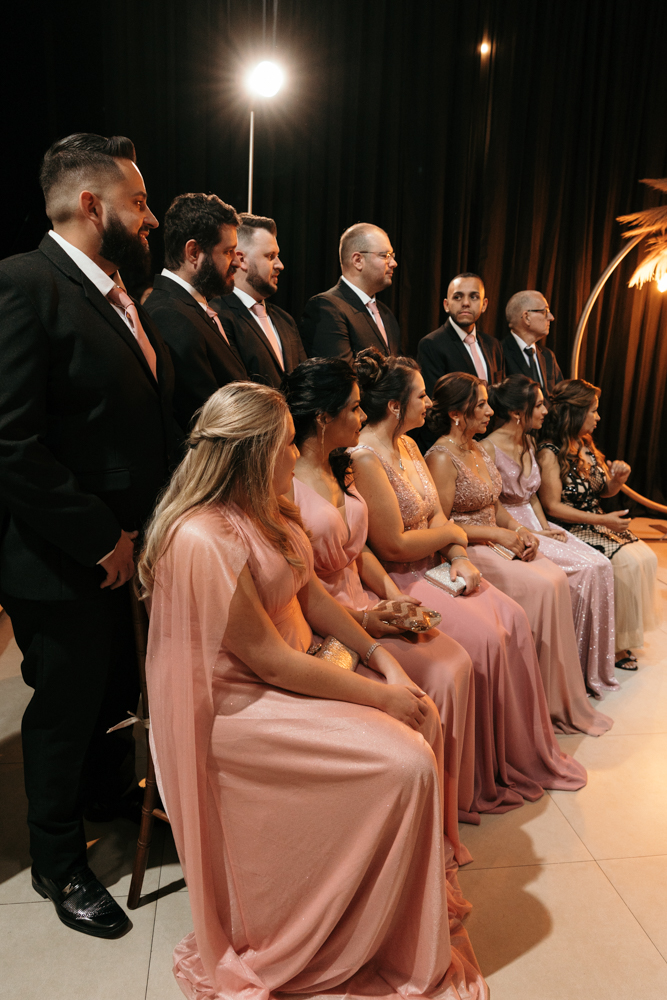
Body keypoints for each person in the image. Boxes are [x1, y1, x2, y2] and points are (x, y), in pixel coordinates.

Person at [139, 382, 487, 1000]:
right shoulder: (202, 537)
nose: (296, 451)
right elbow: (269, 662)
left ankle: (391, 921)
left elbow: (313, 598)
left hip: (299, 666)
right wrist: (379, 696)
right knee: (405, 762)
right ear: (252, 454)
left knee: (423, 715)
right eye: (284, 443)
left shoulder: (269, 505)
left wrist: (383, 660)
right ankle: (350, 929)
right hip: (240, 706)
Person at [0, 133, 178, 937]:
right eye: (138, 203)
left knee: (113, 694)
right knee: (65, 713)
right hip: (62, 558)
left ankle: (108, 799)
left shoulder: (116, 292)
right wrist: (101, 539)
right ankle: (58, 862)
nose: (151, 219)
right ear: (91, 204)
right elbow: (11, 442)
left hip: (129, 550)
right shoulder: (23, 283)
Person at [350, 348, 587, 818]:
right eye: (421, 396)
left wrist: (458, 556)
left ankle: (512, 756)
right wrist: (456, 538)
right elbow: (394, 544)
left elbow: (438, 516)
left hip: (438, 561)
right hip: (402, 575)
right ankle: (475, 776)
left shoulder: (409, 445)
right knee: (484, 640)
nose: (428, 404)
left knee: (512, 618)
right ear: (395, 406)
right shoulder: (365, 457)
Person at [283, 357, 477, 864]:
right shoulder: (284, 483)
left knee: (454, 663)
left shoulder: (340, 464)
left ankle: (441, 815)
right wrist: (366, 621)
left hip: (367, 602)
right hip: (324, 621)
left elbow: (359, 549)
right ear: (322, 417)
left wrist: (392, 594)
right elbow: (301, 587)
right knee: (434, 681)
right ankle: (404, 838)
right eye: (352, 407)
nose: (361, 415)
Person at [424, 373, 613, 735]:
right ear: (456, 414)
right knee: (541, 587)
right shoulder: (441, 457)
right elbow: (442, 524)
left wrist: (520, 530)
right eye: (481, 405)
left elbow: (496, 505)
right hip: (465, 546)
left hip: (497, 538)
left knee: (555, 578)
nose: (489, 411)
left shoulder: (479, 449)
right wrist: (498, 534)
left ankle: (556, 696)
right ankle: (532, 703)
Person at [483, 375, 618, 695]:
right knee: (585, 569)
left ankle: (588, 667)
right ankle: (566, 671)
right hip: (509, 526)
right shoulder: (486, 448)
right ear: (518, 412)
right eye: (539, 405)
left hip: (537, 522)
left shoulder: (530, 442)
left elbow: (532, 496)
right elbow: (492, 504)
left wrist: (546, 529)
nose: (546, 411)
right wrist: (532, 533)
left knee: (601, 563)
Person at [537, 379, 658, 664]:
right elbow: (552, 506)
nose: (598, 417)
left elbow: (603, 490)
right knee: (626, 563)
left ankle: (623, 635)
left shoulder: (585, 444)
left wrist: (617, 480)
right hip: (569, 527)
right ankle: (611, 646)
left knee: (646, 558)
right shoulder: (549, 452)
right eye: (593, 411)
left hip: (595, 522)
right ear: (576, 412)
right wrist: (602, 520)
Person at [144, 193, 246, 429]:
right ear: (193, 252)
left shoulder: (190, 308)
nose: (237, 262)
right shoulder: (169, 315)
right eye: (228, 251)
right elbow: (206, 419)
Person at [210, 214, 305, 387]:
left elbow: (304, 381)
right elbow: (235, 388)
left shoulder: (286, 320)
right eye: (270, 256)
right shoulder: (218, 316)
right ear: (241, 260)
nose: (280, 265)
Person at [300, 222, 401, 361]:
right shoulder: (327, 308)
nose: (393, 263)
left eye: (392, 255)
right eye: (385, 255)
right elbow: (339, 372)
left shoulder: (386, 314)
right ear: (358, 260)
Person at [417, 273, 505, 399]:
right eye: (457, 297)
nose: (466, 303)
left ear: (484, 305)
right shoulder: (431, 344)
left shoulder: (494, 345)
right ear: (446, 305)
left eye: (474, 297)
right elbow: (434, 401)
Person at [501, 290, 563, 394]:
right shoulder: (499, 353)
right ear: (526, 317)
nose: (551, 317)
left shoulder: (548, 356)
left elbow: (560, 396)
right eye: (545, 311)